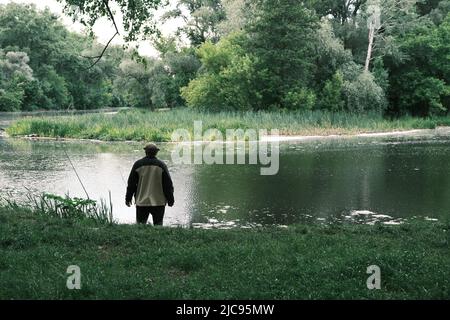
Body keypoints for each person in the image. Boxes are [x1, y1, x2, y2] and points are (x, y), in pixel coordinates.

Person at [125, 143, 174, 225]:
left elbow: (131, 184)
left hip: (142, 201)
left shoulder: (138, 164)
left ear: (145, 152)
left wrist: (128, 198)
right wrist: (170, 199)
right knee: (158, 225)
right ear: (156, 152)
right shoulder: (161, 165)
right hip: (158, 202)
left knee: (140, 225)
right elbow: (168, 185)